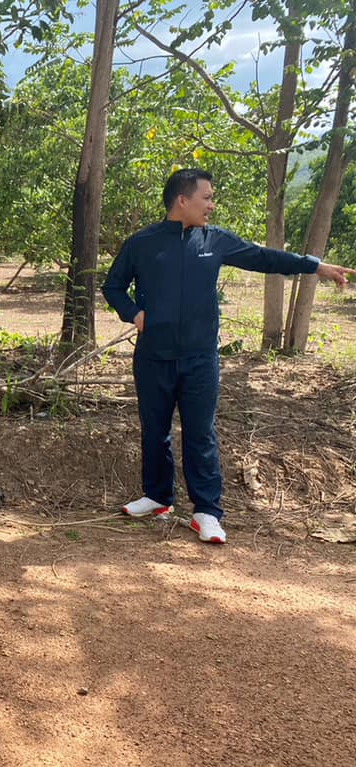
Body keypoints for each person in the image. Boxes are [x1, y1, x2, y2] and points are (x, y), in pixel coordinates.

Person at [102, 168, 350, 544]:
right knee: (155, 431)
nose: (212, 205)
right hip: (153, 356)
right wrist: (133, 313)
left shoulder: (215, 240)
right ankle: (157, 497)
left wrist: (314, 265)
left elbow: (265, 258)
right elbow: (113, 286)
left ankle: (206, 512)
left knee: (200, 434)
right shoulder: (141, 243)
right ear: (182, 200)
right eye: (207, 197)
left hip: (201, 359)